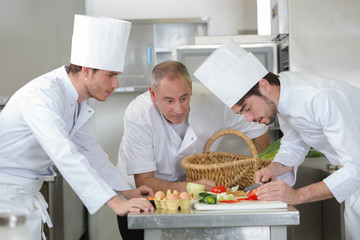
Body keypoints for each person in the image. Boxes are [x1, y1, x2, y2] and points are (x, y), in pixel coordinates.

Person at [0, 14, 154, 240]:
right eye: (110, 75)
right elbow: (65, 154)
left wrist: (126, 191)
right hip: (5, 197)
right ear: (87, 71)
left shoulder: (74, 102)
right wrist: (117, 203)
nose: (115, 84)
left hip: (22, 196)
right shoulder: (43, 95)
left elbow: (91, 153)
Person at [194, 38, 360, 240]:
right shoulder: (282, 95)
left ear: (263, 85)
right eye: (242, 114)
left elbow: (356, 167)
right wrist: (275, 167)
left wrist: (297, 195)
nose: (249, 119)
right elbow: (294, 143)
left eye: (247, 108)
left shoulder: (320, 97)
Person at [116, 60, 270, 240]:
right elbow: (144, 180)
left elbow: (258, 128)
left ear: (190, 87)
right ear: (152, 93)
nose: (178, 109)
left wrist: (264, 173)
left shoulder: (212, 102)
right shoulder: (139, 114)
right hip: (142, 200)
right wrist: (192, 187)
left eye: (184, 97)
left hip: (195, 202)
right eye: (169, 101)